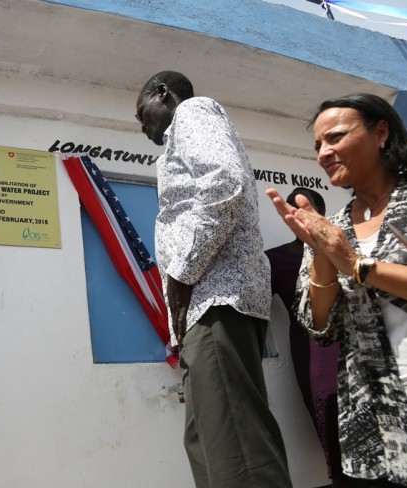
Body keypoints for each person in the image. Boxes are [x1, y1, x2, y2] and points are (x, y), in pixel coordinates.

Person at [266, 93, 407, 488]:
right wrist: (321, 253)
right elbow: (321, 327)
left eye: (334, 137)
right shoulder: (334, 227)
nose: (324, 152)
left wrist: (358, 265)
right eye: (317, 145)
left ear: (381, 132)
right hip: (373, 411)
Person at [136, 70, 291, 487]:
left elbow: (226, 182)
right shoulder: (175, 143)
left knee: (236, 448)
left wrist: (183, 272)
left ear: (162, 94)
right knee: (206, 444)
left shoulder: (193, 111)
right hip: (202, 312)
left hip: (216, 300)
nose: (142, 125)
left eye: (142, 113)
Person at [265, 188, 348, 487]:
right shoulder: (275, 260)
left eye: (308, 209)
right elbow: (249, 301)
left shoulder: (345, 250)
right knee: (332, 433)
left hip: (355, 351)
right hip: (313, 358)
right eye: (293, 210)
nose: (300, 216)